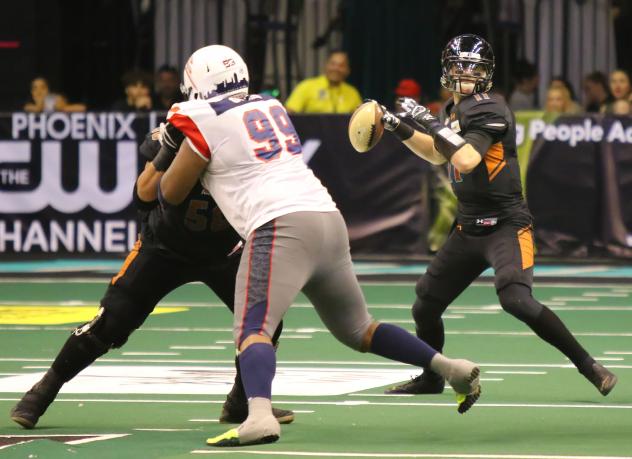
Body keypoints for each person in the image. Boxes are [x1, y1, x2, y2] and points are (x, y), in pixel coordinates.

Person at [159, 44, 482, 447]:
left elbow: (171, 192)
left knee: (253, 328)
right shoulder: (268, 106)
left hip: (278, 224)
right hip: (326, 217)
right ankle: (449, 367)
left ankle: (258, 416)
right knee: (358, 329)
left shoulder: (198, 117)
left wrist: (164, 151)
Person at [375, 34, 617, 398]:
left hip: (506, 222)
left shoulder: (490, 107)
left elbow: (467, 159)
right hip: (469, 225)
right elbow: (439, 154)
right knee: (425, 302)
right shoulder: (452, 111)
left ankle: (590, 366)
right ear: (446, 69)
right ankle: (432, 377)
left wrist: (429, 120)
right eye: (459, 66)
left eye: (474, 68)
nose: (465, 74)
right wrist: (400, 127)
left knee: (515, 299)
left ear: (487, 74)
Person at [9, 125, 293, 429]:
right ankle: (43, 390)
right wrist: (168, 151)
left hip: (223, 251)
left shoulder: (251, 139)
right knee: (111, 322)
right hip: (164, 248)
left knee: (266, 321)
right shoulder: (173, 133)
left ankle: (241, 401)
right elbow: (143, 195)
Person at [285, 49, 362, 113]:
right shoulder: (306, 86)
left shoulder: (352, 93)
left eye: (341, 65)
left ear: (347, 70)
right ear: (326, 65)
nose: (336, 69)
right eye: (333, 64)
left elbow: (361, 120)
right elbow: (288, 113)